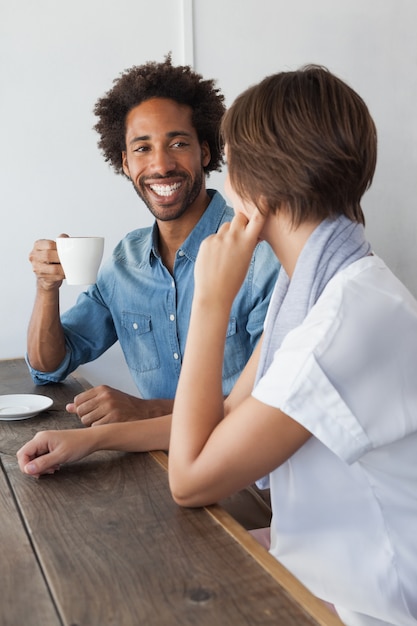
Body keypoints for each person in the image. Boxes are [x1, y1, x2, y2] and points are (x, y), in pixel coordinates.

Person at [165, 66, 417, 625]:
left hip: (368, 603)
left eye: (227, 161)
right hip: (332, 564)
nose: (223, 180)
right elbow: (226, 420)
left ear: (259, 185)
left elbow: (190, 479)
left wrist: (210, 303)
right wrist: (97, 441)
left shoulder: (340, 321)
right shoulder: (318, 288)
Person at [25, 55, 278, 529]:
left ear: (206, 150)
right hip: (154, 463)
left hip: (250, 482)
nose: (160, 164)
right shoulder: (125, 262)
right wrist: (46, 287)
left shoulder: (257, 251)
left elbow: (267, 409)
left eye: (177, 143)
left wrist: (143, 412)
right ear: (124, 162)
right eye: (142, 148)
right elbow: (50, 366)